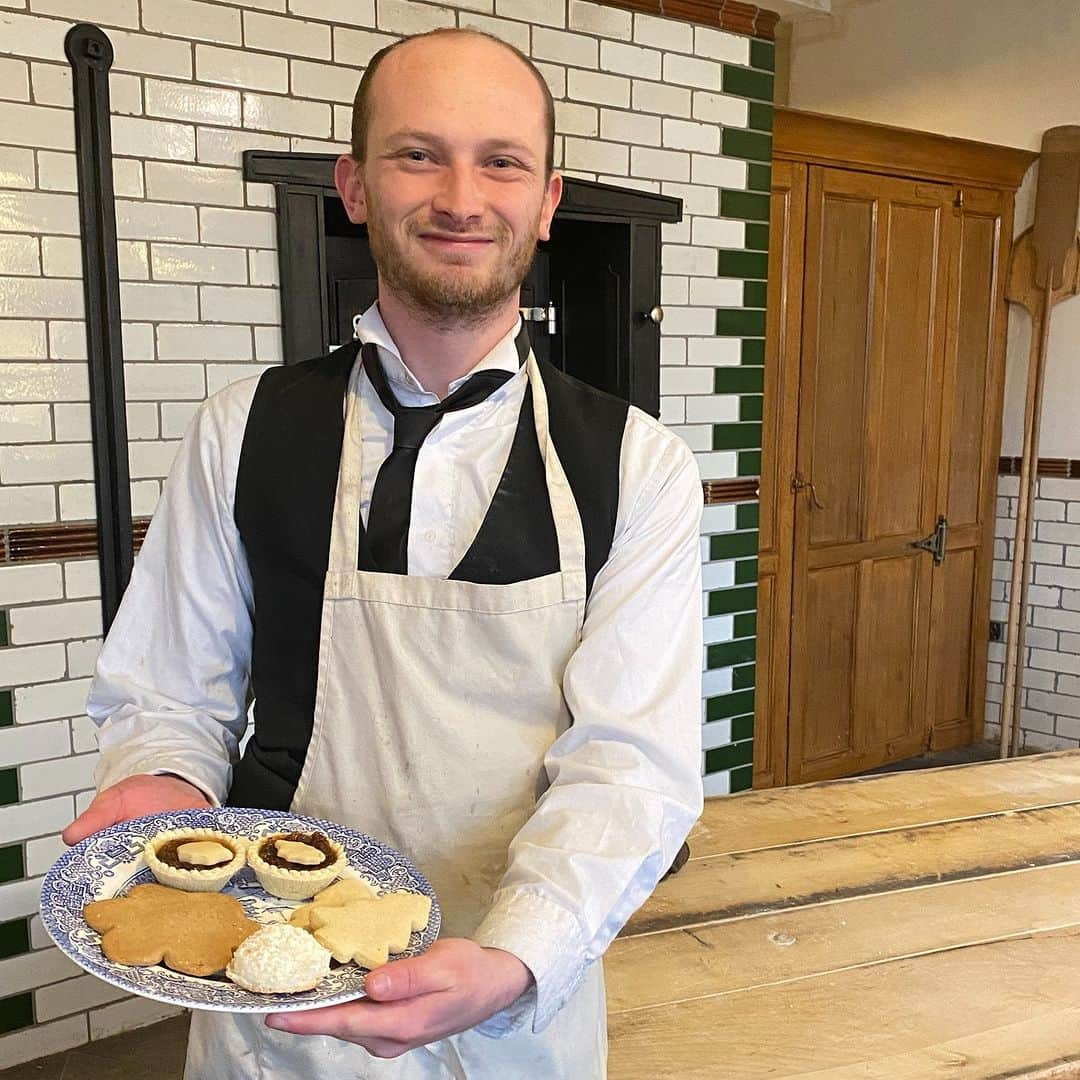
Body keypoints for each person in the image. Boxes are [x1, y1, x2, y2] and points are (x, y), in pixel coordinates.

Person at [62, 27, 704, 1079]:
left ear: (547, 201)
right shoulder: (242, 430)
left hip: (516, 1008)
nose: (461, 196)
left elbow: (632, 765)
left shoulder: (639, 468)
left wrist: (518, 953)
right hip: (270, 995)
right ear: (354, 185)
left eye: (501, 161)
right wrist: (165, 777)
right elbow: (172, 691)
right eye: (418, 154)